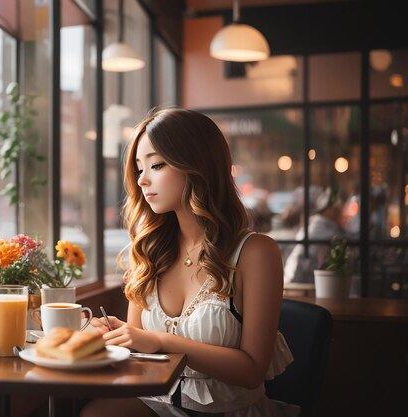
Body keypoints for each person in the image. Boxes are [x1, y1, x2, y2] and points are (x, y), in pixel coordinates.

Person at [81, 108, 297, 417]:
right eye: (139, 168)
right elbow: (139, 349)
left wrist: (159, 340)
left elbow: (251, 370)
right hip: (159, 403)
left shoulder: (256, 252)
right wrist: (114, 335)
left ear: (197, 166)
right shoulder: (149, 251)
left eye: (156, 165)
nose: (142, 180)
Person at [283, 185, 343, 283]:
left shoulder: (318, 225)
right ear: (328, 210)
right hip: (300, 278)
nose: (339, 213)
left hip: (300, 276)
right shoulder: (320, 227)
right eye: (336, 210)